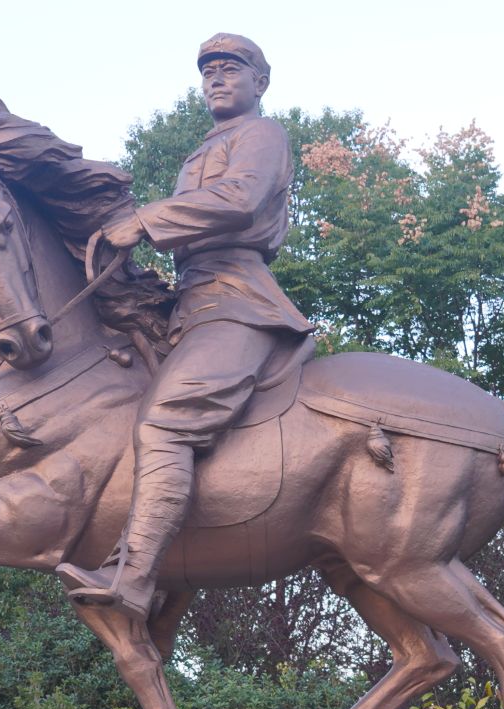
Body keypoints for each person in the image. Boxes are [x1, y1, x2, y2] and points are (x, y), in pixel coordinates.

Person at [54, 31, 316, 620]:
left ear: (260, 82)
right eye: (208, 71)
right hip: (191, 300)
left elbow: (241, 200)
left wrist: (145, 221)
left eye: (231, 69)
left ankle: (133, 578)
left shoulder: (262, 134)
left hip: (236, 300)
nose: (216, 78)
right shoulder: (204, 148)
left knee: (166, 423)